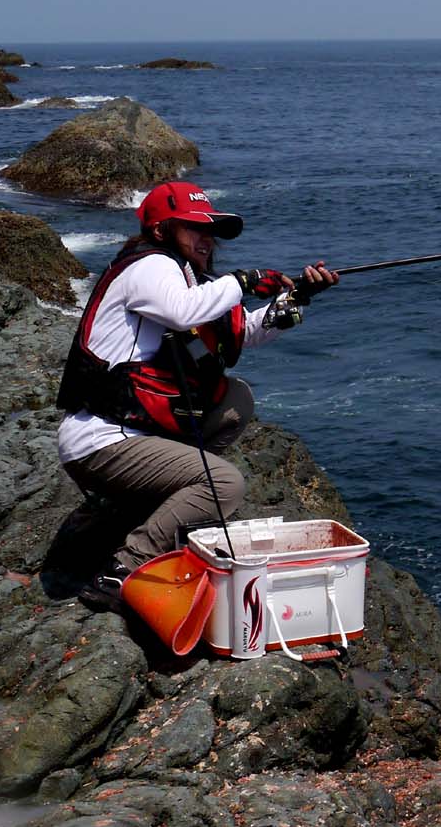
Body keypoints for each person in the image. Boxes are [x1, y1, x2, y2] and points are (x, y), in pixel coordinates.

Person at [55, 181, 338, 610]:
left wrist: (297, 297)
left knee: (235, 400)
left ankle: (145, 505)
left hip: (135, 434)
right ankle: (123, 569)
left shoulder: (189, 279)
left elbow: (242, 332)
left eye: (211, 231)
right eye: (194, 228)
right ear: (161, 230)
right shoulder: (150, 266)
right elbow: (182, 311)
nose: (206, 239)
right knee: (224, 484)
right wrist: (243, 280)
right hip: (103, 439)